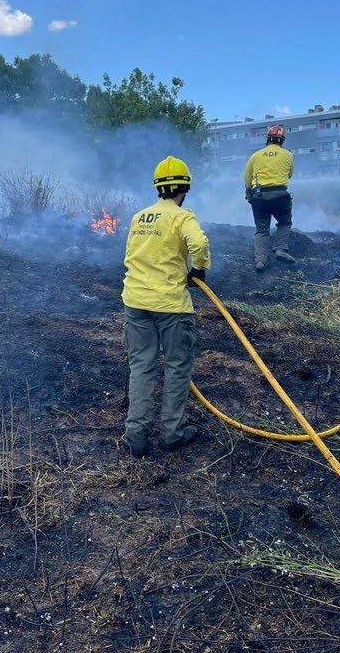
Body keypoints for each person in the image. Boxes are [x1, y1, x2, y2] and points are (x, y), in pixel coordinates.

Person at [120, 156, 211, 458]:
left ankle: (136, 435)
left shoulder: (139, 217)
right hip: (171, 305)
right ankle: (172, 432)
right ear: (185, 187)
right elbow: (198, 244)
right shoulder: (183, 217)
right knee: (176, 366)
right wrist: (198, 270)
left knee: (142, 366)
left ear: (157, 187)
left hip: (135, 302)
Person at [244, 124, 296, 272]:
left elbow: (247, 179)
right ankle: (280, 250)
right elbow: (289, 175)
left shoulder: (255, 155)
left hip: (258, 196)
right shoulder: (288, 155)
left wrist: (249, 192)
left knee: (261, 230)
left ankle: (260, 260)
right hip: (280, 195)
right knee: (285, 222)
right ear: (282, 140)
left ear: (267, 139)